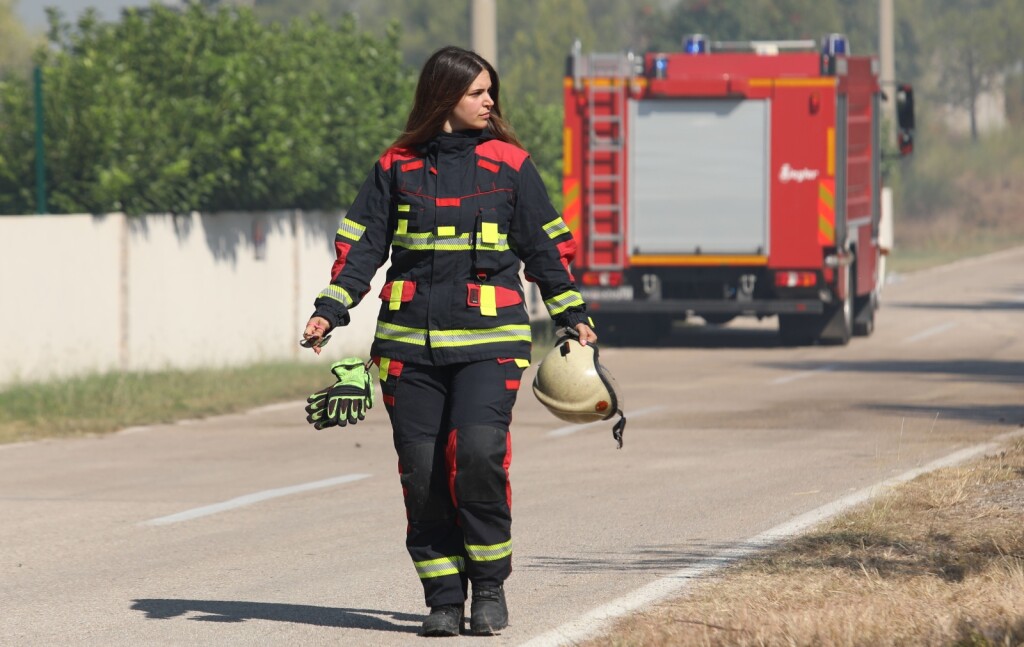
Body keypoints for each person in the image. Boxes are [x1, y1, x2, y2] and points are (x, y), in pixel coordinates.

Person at [301, 45, 596, 637]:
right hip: (408, 349)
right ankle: (442, 596)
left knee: (480, 455)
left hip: (492, 342)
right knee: (422, 471)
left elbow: (544, 246)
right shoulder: (395, 167)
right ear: (444, 98)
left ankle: (488, 588)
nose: (489, 101)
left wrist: (571, 313)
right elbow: (361, 247)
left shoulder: (511, 165)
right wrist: (330, 310)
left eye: (490, 91)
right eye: (476, 92)